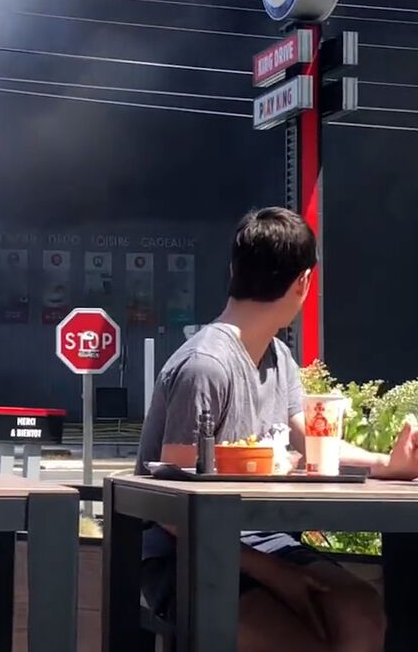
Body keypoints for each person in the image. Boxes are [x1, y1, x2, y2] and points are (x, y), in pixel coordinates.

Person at [137, 207, 418, 652]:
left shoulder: (278, 356)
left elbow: (312, 442)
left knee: (359, 609)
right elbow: (174, 508)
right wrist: (280, 576)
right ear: (304, 282)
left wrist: (390, 465)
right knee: (297, 642)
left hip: (267, 542)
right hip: (188, 555)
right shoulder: (206, 366)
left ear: (233, 270)